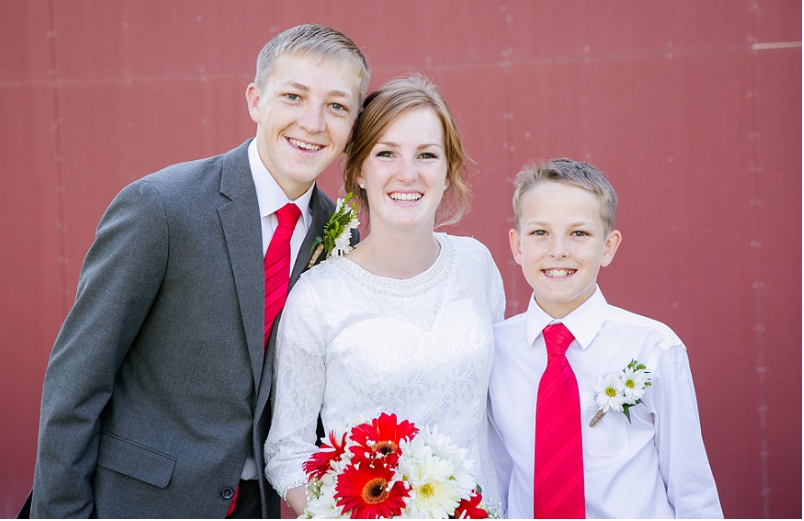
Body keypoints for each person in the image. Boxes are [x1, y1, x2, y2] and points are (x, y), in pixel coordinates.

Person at [30, 24, 369, 518]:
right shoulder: (162, 207)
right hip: (142, 503)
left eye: (337, 106)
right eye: (293, 96)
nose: (313, 123)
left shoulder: (342, 238)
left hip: (261, 506)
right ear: (256, 100)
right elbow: (76, 383)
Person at [264, 75, 505, 515]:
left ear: (449, 169)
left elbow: (496, 415)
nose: (408, 174)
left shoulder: (477, 266)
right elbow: (287, 452)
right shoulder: (319, 296)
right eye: (387, 154)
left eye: (427, 155)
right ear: (359, 168)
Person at [488, 158, 722, 518]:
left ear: (608, 246)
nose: (558, 250)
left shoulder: (654, 348)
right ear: (517, 246)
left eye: (579, 233)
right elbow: (497, 477)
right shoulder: (495, 350)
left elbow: (691, 489)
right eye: (540, 233)